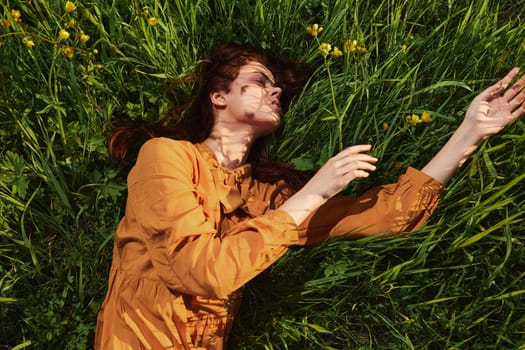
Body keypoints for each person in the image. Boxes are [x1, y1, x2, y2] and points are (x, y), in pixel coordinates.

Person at [94, 43, 525, 349]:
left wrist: (469, 134)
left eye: (277, 87)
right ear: (219, 95)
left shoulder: (265, 198)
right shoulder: (164, 156)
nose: (275, 91)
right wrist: (313, 191)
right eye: (260, 81)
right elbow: (198, 271)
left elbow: (387, 215)